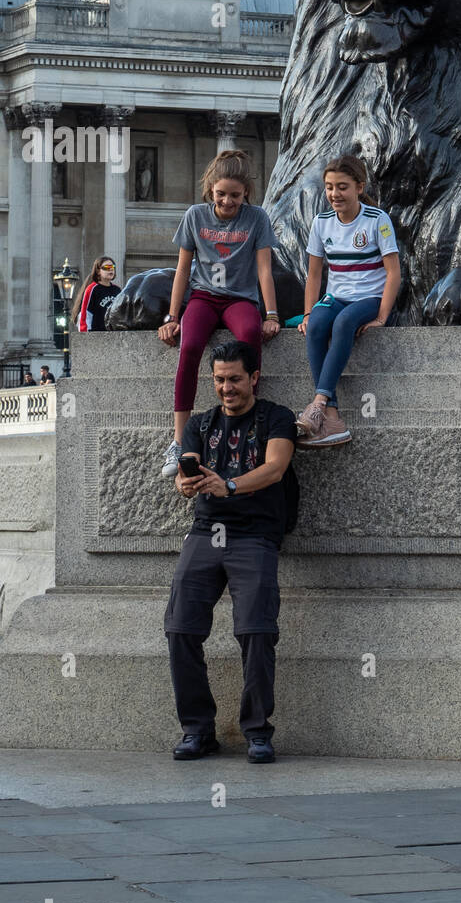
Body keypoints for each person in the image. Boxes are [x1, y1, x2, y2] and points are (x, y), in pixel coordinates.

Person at [165, 340, 296, 764]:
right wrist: (184, 483)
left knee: (256, 632)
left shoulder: (276, 418)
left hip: (255, 535)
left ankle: (257, 732)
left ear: (253, 377)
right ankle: (198, 730)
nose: (226, 388)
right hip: (206, 532)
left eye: (234, 379)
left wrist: (232, 485)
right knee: (180, 628)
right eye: (219, 379)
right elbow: (188, 464)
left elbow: (275, 468)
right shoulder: (200, 424)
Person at [158, 150, 281, 479]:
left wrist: (271, 314)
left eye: (236, 196)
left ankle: (250, 427)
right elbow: (182, 269)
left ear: (247, 194)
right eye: (221, 194)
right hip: (203, 297)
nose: (228, 202)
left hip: (240, 298)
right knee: (191, 344)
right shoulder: (195, 216)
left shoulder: (256, 218)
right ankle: (180, 439)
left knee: (249, 336)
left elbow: (265, 270)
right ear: (210, 189)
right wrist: (172, 317)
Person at [296, 155, 401, 447]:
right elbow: (314, 275)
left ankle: (318, 403)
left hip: (369, 298)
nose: (334, 194)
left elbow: (394, 273)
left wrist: (381, 316)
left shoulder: (377, 220)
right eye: (329, 187)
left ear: (359, 187)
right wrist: (307, 312)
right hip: (336, 297)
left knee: (342, 324)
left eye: (342, 187)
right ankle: (333, 418)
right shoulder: (321, 222)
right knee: (316, 325)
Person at [73, 257, 121, 332]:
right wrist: (85, 334)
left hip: (113, 333)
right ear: (98, 271)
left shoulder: (117, 290)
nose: (111, 269)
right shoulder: (92, 289)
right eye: (107, 267)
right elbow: (86, 314)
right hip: (96, 333)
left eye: (112, 267)